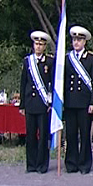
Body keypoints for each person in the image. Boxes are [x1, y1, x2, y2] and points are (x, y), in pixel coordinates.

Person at [64, 25, 93, 174]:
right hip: (71, 102)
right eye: (74, 40)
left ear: (85, 42)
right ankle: (71, 163)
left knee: (85, 135)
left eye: (79, 40)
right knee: (71, 134)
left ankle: (85, 164)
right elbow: (64, 81)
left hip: (85, 103)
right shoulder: (67, 58)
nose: (76, 42)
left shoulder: (91, 58)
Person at [19, 30, 55, 173]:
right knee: (31, 135)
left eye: (41, 44)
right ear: (33, 45)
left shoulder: (49, 61)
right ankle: (31, 164)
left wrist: (50, 102)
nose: (38, 47)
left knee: (43, 136)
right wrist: (22, 104)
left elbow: (52, 84)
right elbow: (23, 83)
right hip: (30, 102)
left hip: (43, 104)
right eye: (36, 44)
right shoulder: (28, 61)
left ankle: (42, 165)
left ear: (45, 46)